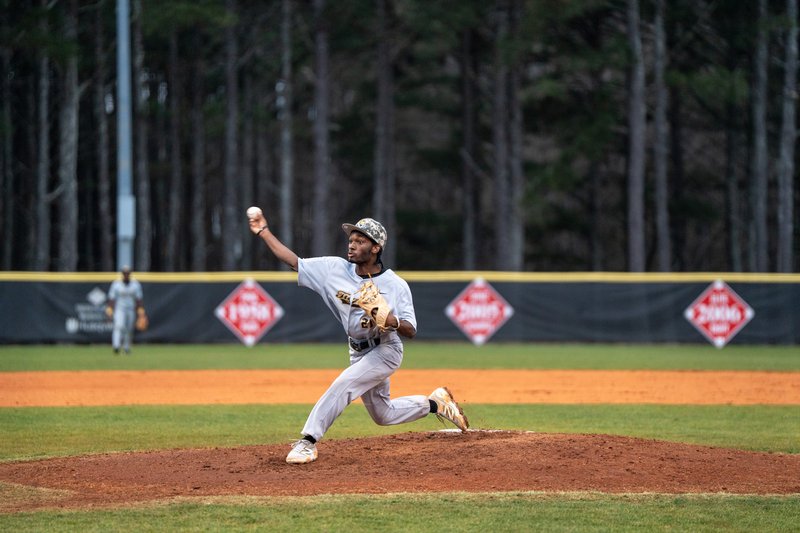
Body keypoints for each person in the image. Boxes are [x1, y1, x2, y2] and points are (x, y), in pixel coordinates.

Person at [248, 211, 469, 464]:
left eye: (360, 241)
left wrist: (391, 320)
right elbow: (293, 262)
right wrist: (264, 231)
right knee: (383, 415)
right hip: (357, 350)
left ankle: (308, 441)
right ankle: (436, 404)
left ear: (375, 248)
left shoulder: (396, 285)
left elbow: (411, 330)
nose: (352, 244)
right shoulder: (334, 269)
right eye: (351, 239)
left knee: (345, 383)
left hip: (386, 349)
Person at [106, 266, 145, 355]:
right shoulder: (116, 284)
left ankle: (127, 348)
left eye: (128, 273)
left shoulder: (135, 284)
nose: (126, 274)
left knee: (129, 329)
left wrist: (141, 312)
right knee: (118, 326)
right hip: (120, 309)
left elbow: (139, 299)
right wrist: (109, 310)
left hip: (131, 309)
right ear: (122, 274)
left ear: (130, 274)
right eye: (125, 273)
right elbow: (111, 299)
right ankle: (116, 347)